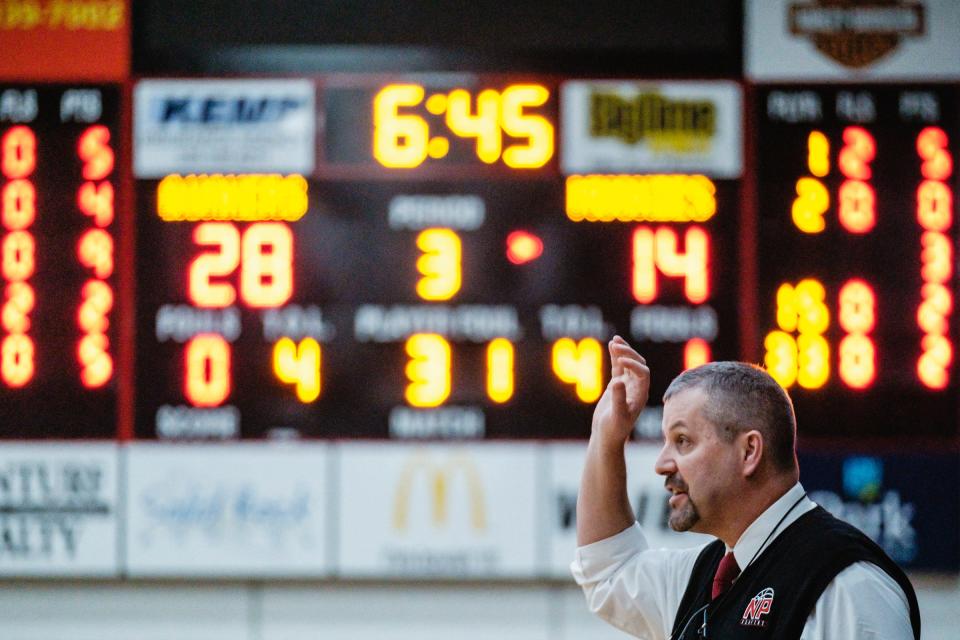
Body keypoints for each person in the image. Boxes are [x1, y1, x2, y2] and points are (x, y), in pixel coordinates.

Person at [572, 336, 920, 639]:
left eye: (682, 441)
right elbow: (609, 569)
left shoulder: (850, 586)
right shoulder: (702, 576)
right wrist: (606, 436)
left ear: (749, 452)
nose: (662, 463)